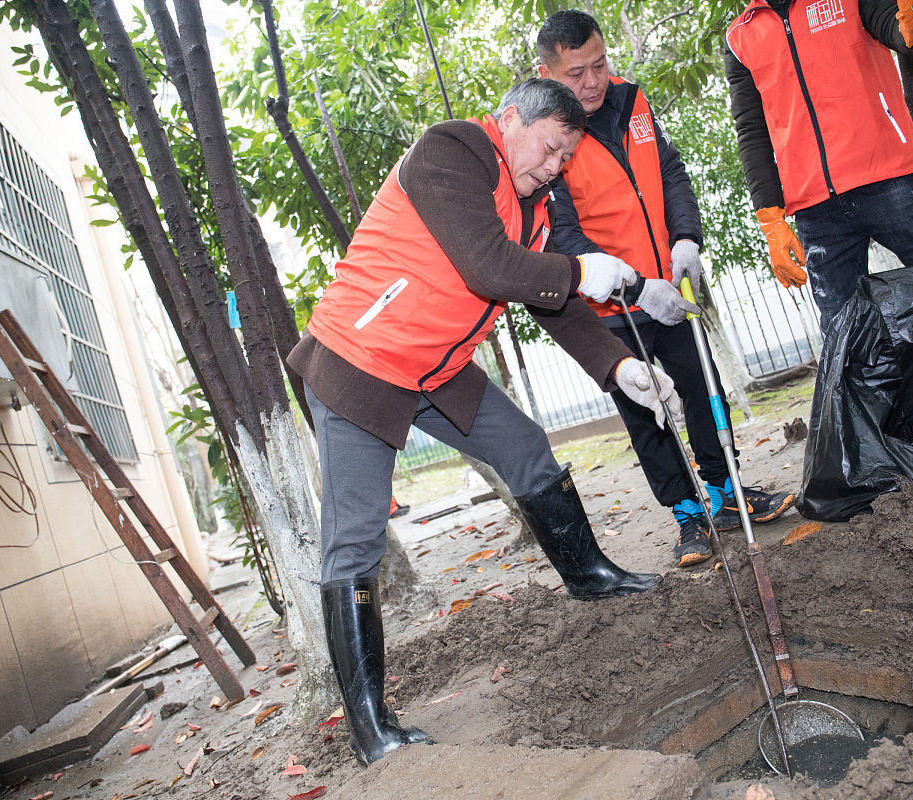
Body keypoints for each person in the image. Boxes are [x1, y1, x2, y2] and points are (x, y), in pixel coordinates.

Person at [287, 78, 676, 766]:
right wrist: (581, 269)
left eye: (565, 158)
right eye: (549, 149)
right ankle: (371, 729)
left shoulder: (536, 208)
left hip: (434, 368)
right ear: (510, 119)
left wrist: (620, 368)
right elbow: (490, 267)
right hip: (360, 362)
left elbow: (553, 300)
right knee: (354, 539)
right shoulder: (453, 151)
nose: (554, 167)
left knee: (524, 445)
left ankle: (589, 574)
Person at [537, 10, 796, 570]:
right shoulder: (549, 138)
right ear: (547, 74)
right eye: (577, 73)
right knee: (647, 414)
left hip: (670, 290)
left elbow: (669, 169)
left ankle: (727, 494)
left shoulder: (632, 100)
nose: (593, 82)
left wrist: (686, 239)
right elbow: (564, 236)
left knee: (703, 391)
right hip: (611, 306)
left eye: (599, 65)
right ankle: (687, 514)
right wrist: (634, 286)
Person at [725, 0, 913, 334]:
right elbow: (752, 131)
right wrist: (771, 221)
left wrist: (912, 13)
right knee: (845, 336)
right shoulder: (739, 37)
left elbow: (904, 35)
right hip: (816, 208)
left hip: (890, 176)